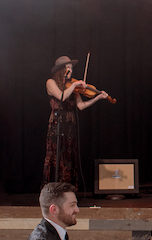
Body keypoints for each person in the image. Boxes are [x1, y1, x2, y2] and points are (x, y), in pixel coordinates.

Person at [42, 55, 108, 188]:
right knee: (56, 155)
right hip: (57, 124)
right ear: (61, 70)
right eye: (68, 68)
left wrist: (98, 98)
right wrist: (75, 85)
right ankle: (54, 188)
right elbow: (61, 96)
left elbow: (81, 106)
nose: (71, 71)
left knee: (68, 157)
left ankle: (67, 188)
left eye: (71, 68)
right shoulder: (51, 82)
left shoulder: (72, 86)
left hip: (70, 126)